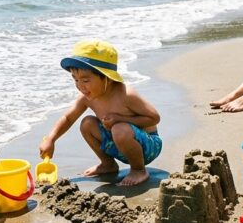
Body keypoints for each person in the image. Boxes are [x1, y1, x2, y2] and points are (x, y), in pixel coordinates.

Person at [39, 40, 161, 186]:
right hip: (118, 144)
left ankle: (138, 170)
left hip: (147, 147)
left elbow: (154, 118)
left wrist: (120, 118)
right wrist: (51, 139)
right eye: (76, 80)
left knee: (119, 128)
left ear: (107, 78)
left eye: (85, 80)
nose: (80, 86)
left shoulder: (125, 94)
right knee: (87, 123)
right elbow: (68, 117)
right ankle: (108, 164)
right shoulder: (87, 97)